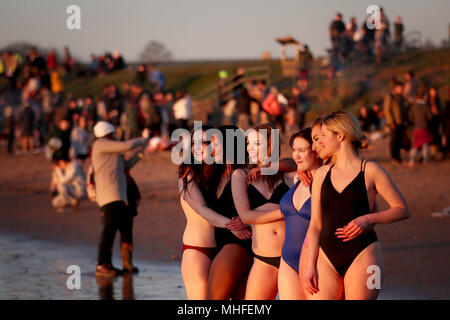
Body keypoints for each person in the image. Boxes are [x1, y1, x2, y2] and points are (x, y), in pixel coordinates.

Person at [300, 110, 410, 300]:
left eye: (322, 137)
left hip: (365, 256)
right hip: (325, 258)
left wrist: (368, 219)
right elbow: (316, 225)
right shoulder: (321, 174)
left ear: (340, 135)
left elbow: (402, 209)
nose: (317, 144)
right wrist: (310, 266)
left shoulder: (371, 170)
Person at [178, 125, 251, 299]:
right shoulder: (186, 173)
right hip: (199, 249)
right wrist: (232, 226)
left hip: (225, 247)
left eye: (203, 142)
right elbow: (201, 209)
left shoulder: (218, 172)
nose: (198, 147)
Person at [232, 123, 292, 300]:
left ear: (271, 145)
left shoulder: (287, 174)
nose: (251, 149)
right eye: (248, 144)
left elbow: (297, 163)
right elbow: (246, 216)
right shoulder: (241, 176)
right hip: (263, 259)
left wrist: (267, 168)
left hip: (292, 258)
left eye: (257, 144)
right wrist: (285, 212)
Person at [91, 121, 150, 277]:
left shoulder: (112, 151)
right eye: (113, 134)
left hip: (120, 195)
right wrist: (142, 139)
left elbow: (127, 165)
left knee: (125, 230)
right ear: (108, 133)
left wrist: (143, 149)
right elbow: (126, 146)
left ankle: (126, 264)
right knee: (109, 230)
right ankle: (102, 264)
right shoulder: (100, 144)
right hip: (108, 196)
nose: (115, 136)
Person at [278, 127, 321, 300]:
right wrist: (299, 168)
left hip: (316, 262)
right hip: (287, 261)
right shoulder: (297, 177)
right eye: (294, 150)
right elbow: (286, 162)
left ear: (317, 151)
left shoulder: (328, 180)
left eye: (302, 150)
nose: (296, 155)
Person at [384, 81, 408, 163]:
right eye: (400, 88)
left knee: (399, 140)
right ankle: (393, 157)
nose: (401, 90)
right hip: (394, 123)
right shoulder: (390, 97)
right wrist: (391, 122)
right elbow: (387, 110)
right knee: (393, 140)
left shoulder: (401, 98)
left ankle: (398, 157)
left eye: (402, 88)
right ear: (395, 88)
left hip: (401, 122)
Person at [407, 89, 433, 166]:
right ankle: (425, 160)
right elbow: (430, 117)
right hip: (424, 128)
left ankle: (412, 160)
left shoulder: (413, 106)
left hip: (416, 128)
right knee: (425, 144)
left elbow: (410, 117)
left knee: (416, 145)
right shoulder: (425, 106)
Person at [427, 87, 443, 159]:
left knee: (435, 137)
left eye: (434, 92)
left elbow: (441, 110)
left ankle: (433, 154)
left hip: (437, 120)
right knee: (429, 138)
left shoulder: (439, 101)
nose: (433, 94)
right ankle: (428, 154)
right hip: (429, 122)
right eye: (431, 92)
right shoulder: (427, 101)